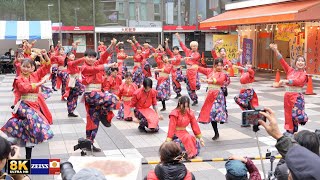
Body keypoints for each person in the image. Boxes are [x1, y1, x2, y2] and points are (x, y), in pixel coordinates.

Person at [1, 55, 54, 159]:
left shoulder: (35, 75)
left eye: (28, 67)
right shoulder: (18, 79)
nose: (25, 68)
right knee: (32, 118)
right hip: (23, 105)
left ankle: (28, 156)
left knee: (28, 132)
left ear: (32, 68)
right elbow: (24, 88)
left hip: (34, 105)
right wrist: (39, 83)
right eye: (23, 66)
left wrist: (45, 56)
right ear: (20, 67)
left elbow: (46, 68)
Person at [258, 107, 320, 180]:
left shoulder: (283, 170)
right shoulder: (315, 165)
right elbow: (303, 159)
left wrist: (279, 136)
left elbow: (299, 158)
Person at [81, 45, 119, 152]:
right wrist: (109, 65)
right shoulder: (85, 67)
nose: (91, 59)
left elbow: (102, 58)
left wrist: (111, 46)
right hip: (91, 95)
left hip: (97, 94)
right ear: (84, 57)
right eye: (88, 57)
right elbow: (96, 69)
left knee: (93, 120)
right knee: (112, 98)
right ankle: (104, 113)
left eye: (93, 57)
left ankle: (89, 143)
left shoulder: (96, 63)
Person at [270, 43, 308, 134]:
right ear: (295, 63)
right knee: (288, 115)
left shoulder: (304, 74)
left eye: (302, 61)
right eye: (298, 60)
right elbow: (282, 61)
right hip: (287, 96)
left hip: (296, 97)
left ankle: (296, 128)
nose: (300, 62)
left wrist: (287, 81)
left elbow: (299, 81)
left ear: (304, 64)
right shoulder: (290, 70)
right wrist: (276, 50)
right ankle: (289, 132)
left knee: (295, 116)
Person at [197, 58, 230, 140]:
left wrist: (208, 80)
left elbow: (220, 81)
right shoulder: (209, 71)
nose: (219, 67)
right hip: (210, 94)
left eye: (221, 65)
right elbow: (201, 69)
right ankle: (216, 132)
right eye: (217, 65)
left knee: (216, 110)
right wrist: (194, 66)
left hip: (218, 94)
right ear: (214, 65)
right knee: (211, 113)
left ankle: (222, 118)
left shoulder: (222, 74)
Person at [175, 33, 201, 106]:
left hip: (194, 72)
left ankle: (195, 97)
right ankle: (194, 98)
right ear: (191, 46)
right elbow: (182, 45)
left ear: (197, 47)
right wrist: (179, 38)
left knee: (193, 86)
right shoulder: (188, 51)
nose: (194, 47)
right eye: (192, 46)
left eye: (195, 46)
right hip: (188, 71)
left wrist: (188, 58)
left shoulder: (197, 54)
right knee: (188, 86)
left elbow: (194, 58)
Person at [233, 58, 259, 127]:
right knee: (244, 104)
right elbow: (238, 63)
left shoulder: (251, 72)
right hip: (243, 91)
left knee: (237, 98)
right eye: (247, 64)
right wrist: (239, 54)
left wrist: (242, 67)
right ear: (245, 64)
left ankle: (249, 111)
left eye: (250, 64)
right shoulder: (243, 72)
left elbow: (248, 70)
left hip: (248, 91)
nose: (249, 65)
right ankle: (249, 115)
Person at [63, 51, 86, 117]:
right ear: (67, 57)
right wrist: (83, 58)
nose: (73, 55)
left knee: (74, 96)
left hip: (75, 80)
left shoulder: (72, 63)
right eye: (71, 55)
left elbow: (77, 65)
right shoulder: (70, 63)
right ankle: (70, 111)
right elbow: (76, 62)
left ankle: (71, 111)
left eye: (73, 54)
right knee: (72, 96)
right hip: (72, 81)